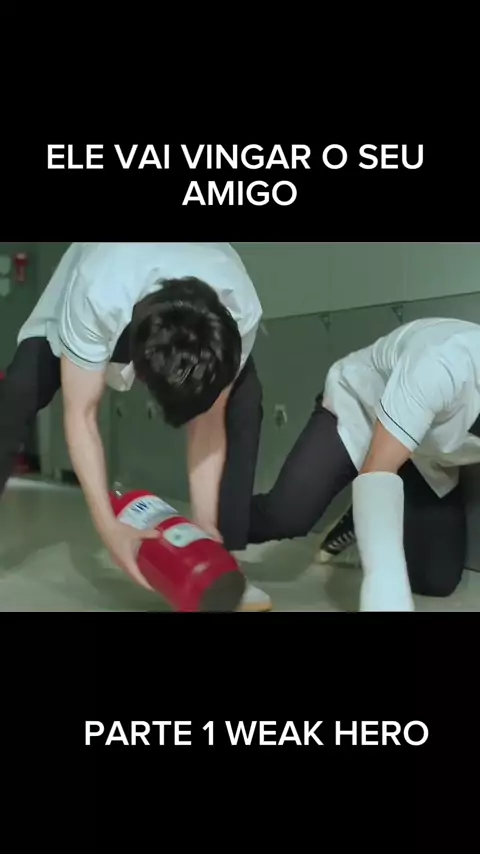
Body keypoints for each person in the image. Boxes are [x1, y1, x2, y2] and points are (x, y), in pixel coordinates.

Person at [0, 242, 271, 611]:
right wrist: (109, 529)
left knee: (245, 403)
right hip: (98, 293)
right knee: (16, 395)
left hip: (182, 308)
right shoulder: (97, 288)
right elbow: (81, 414)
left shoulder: (241, 308)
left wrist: (205, 527)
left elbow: (208, 422)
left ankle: (224, 563)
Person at [248, 317, 480, 610]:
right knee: (287, 515)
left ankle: (358, 519)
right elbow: (378, 471)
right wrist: (385, 597)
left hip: (426, 453)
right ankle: (209, 526)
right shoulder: (443, 361)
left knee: (436, 580)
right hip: (362, 410)